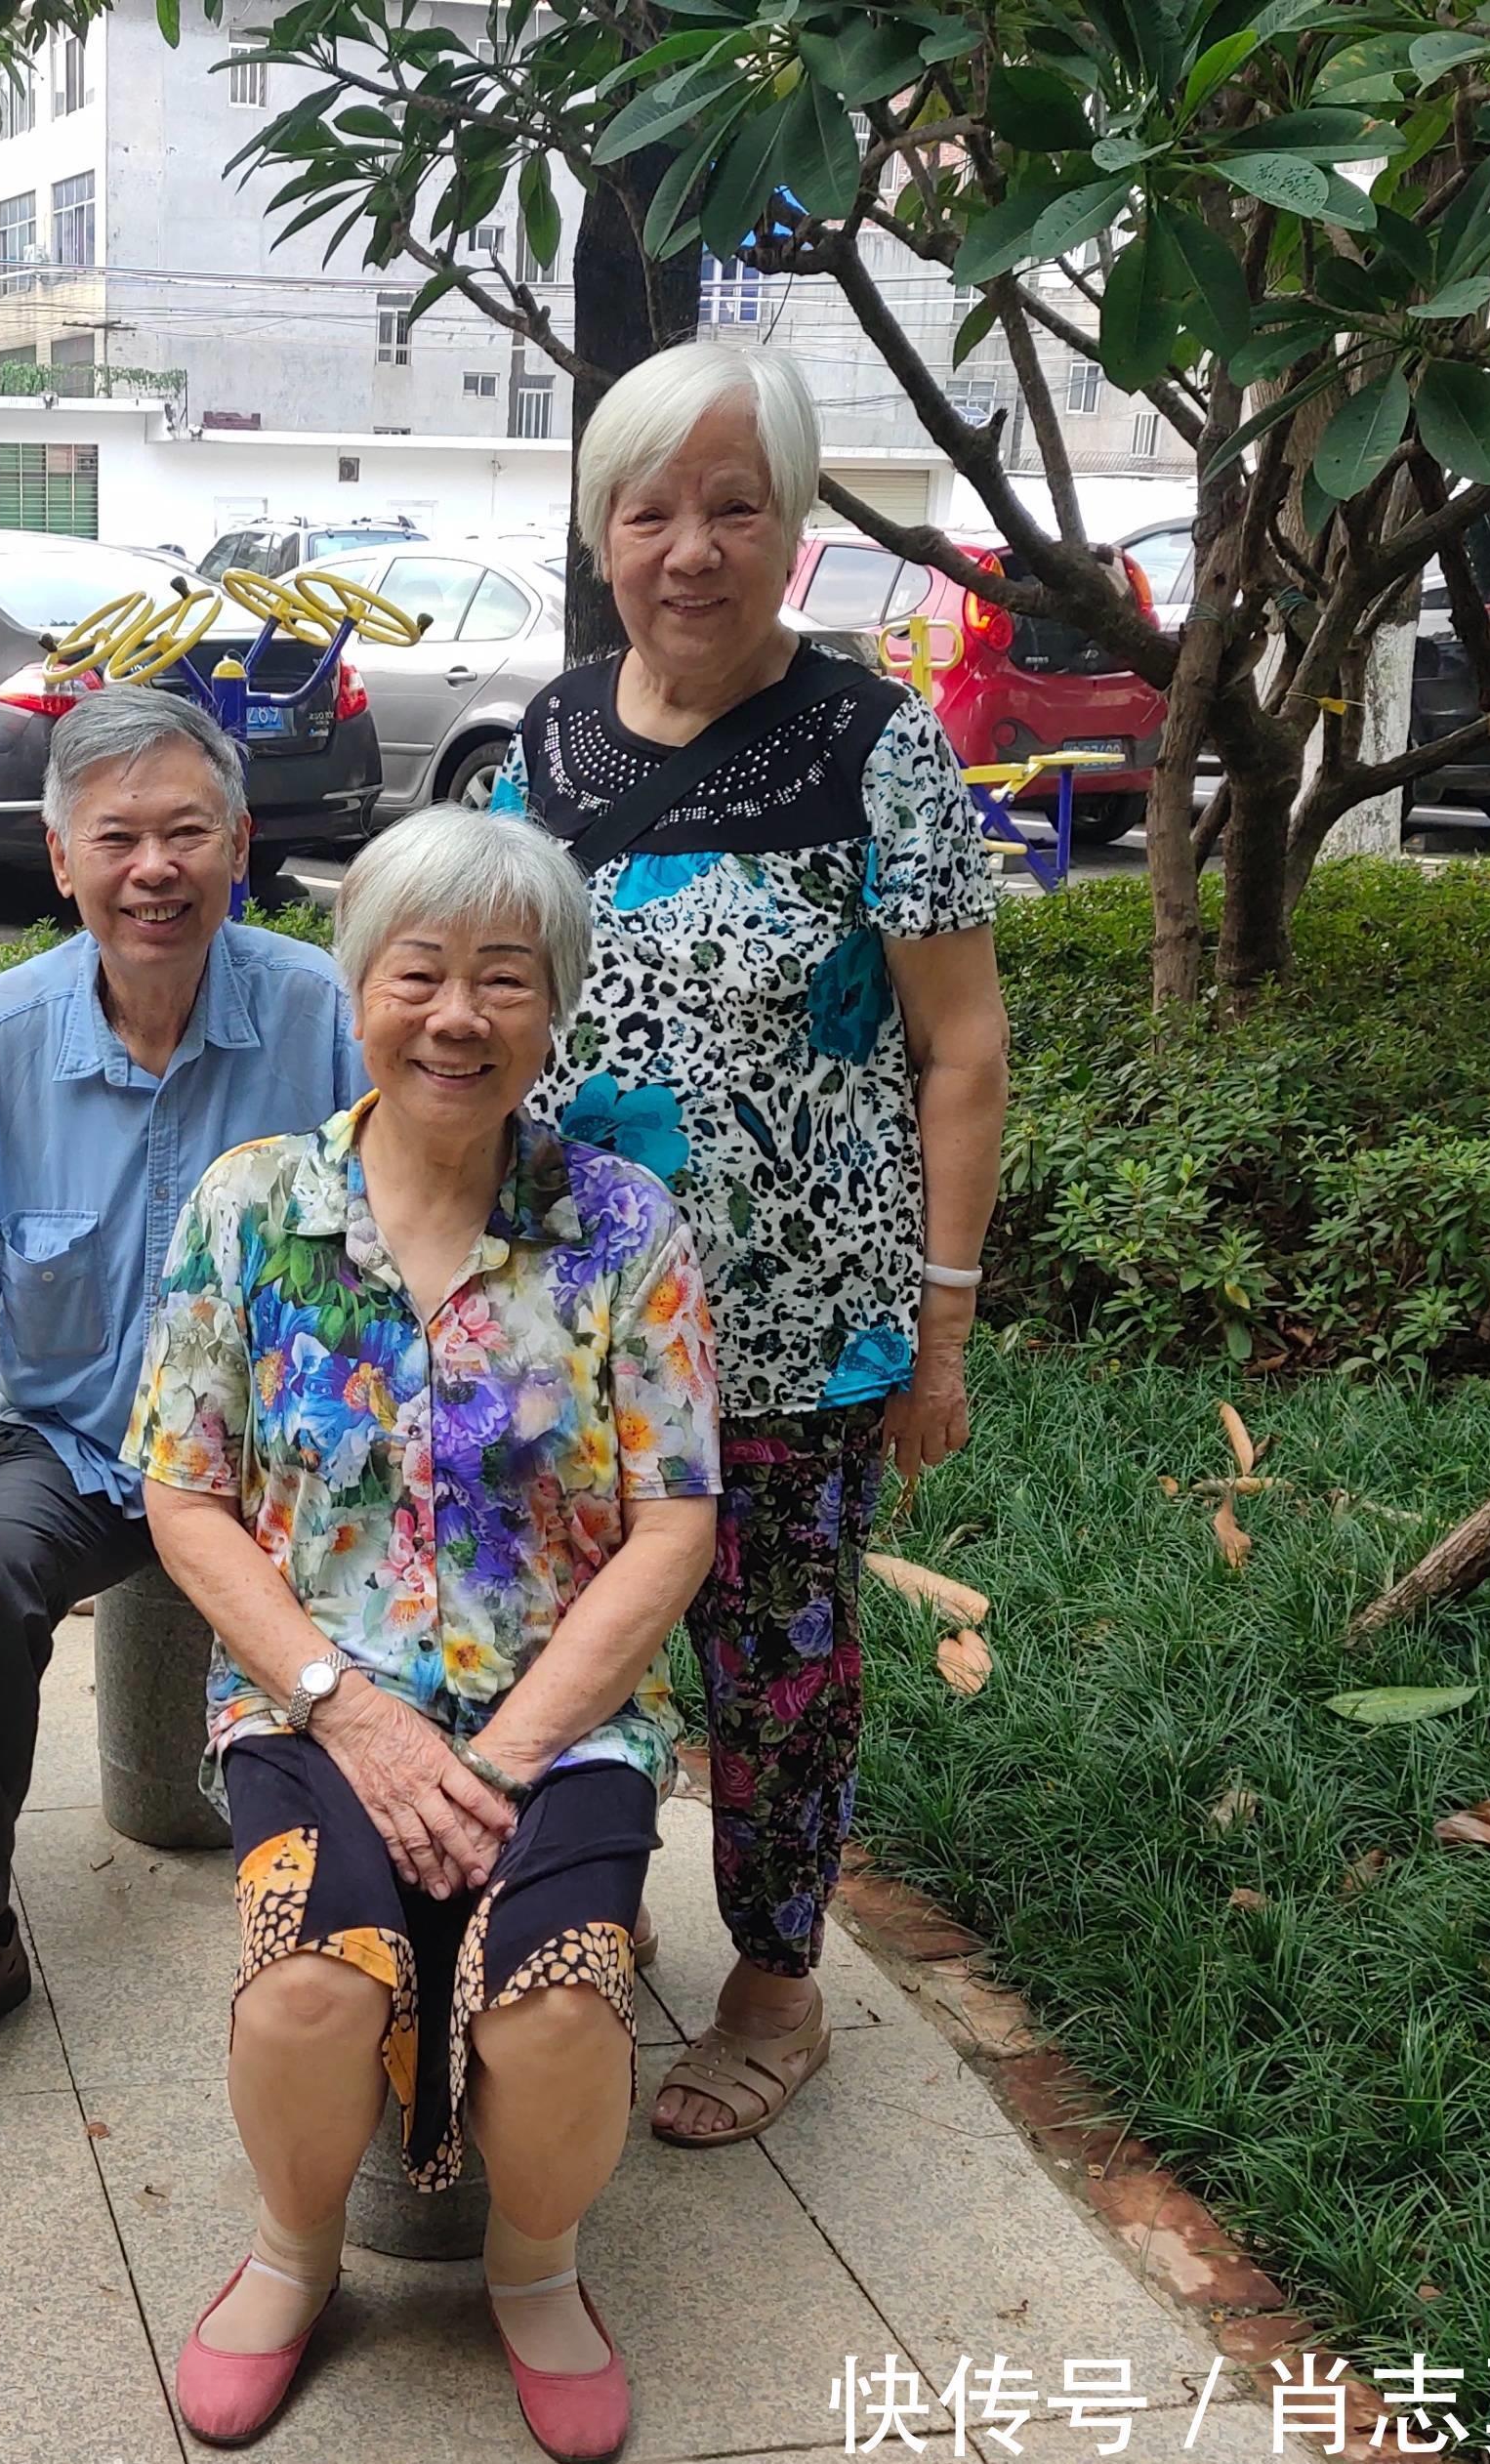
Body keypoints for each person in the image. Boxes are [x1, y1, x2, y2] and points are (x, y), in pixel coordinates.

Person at [126, 807, 722, 2458]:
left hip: (564, 1715)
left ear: (555, 1006)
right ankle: (290, 2254)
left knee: (559, 2009)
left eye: (505, 980)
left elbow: (675, 1520)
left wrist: (510, 1753)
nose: (459, 1016)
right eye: (420, 973)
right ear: (356, 985)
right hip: (316, 1699)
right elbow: (186, 1499)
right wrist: (350, 1710)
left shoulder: (622, 1227)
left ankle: (537, 2269)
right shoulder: (253, 1210)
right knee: (309, 1993)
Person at [491, 336, 1011, 2150]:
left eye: (736, 507)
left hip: (794, 1333)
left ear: (792, 528)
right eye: (651, 512)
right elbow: (489, 1001)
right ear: (601, 533)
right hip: (564, 1317)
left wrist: (942, 1337)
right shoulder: (549, 739)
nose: (692, 549)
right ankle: (589, 1891)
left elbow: (962, 1051)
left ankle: (779, 1987)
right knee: (558, 1631)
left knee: (774, 1672)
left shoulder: (878, 747)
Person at [0, 687, 364, 2110]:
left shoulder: (324, 1015)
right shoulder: (0, 1037)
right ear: (62, 860)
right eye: (116, 839)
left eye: (187, 833)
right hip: (84, 1448)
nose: (152, 869)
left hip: (297, 1460)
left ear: (240, 845)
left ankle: (422, 1907)